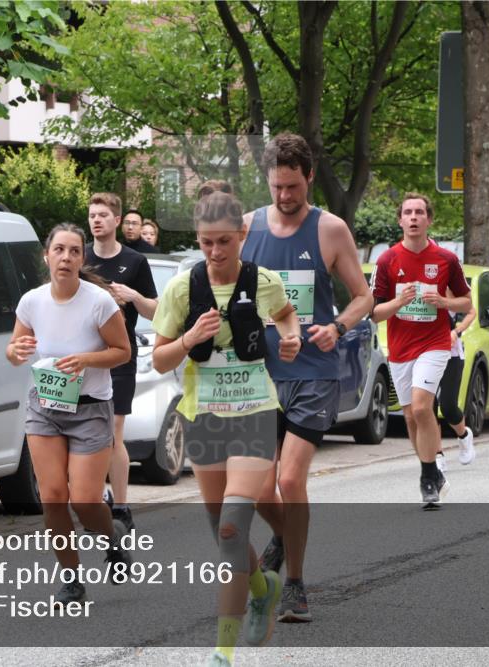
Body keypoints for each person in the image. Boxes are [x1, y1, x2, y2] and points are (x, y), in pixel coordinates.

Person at [152, 191, 302, 667]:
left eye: (224, 242)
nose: (215, 253)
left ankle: (223, 651)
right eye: (205, 243)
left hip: (255, 412)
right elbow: (158, 360)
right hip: (205, 418)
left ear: (242, 236)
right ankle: (262, 589)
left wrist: (293, 336)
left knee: (235, 527)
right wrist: (190, 338)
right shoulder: (182, 289)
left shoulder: (265, 281)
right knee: (224, 533)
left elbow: (285, 315)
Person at [240, 133, 373, 622]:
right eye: (277, 186)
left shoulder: (330, 229)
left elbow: (364, 297)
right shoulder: (247, 226)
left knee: (290, 478)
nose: (284, 196)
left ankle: (294, 582)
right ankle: (285, 535)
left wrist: (337, 327)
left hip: (314, 373)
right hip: (259, 374)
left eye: (293, 187)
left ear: (309, 178)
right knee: (258, 489)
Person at [6, 223, 133, 607]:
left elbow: (122, 351)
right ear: (47, 256)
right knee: (54, 497)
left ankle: (111, 534)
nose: (66, 257)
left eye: (74, 251)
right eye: (59, 250)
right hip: (45, 406)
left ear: (82, 259)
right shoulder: (32, 301)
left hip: (90, 409)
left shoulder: (98, 302)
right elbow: (15, 349)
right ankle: (71, 578)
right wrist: (16, 351)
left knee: (83, 500)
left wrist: (86, 360)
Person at [371, 193, 472, 508]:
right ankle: (433, 471)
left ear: (428, 220)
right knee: (410, 417)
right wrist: (398, 303)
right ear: (400, 220)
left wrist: (445, 302)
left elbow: (467, 303)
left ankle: (428, 478)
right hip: (401, 347)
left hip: (435, 343)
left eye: (419, 212)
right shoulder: (387, 260)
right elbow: (374, 313)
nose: (413, 217)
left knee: (420, 407)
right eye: (407, 213)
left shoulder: (445, 259)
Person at [84, 193, 159, 531]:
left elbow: (156, 310)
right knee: (88, 430)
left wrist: (133, 297)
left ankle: (122, 506)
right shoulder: (80, 257)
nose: (96, 220)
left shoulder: (135, 261)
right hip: (85, 356)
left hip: (121, 354)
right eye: (92, 215)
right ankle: (97, 497)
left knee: (113, 431)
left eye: (103, 215)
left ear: (117, 221)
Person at [435, 294, 477, 472]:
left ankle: (464, 435)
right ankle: (437, 455)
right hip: (425, 353)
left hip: (451, 355)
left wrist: (456, 331)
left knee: (448, 406)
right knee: (429, 406)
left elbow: (471, 311)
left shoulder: (448, 289)